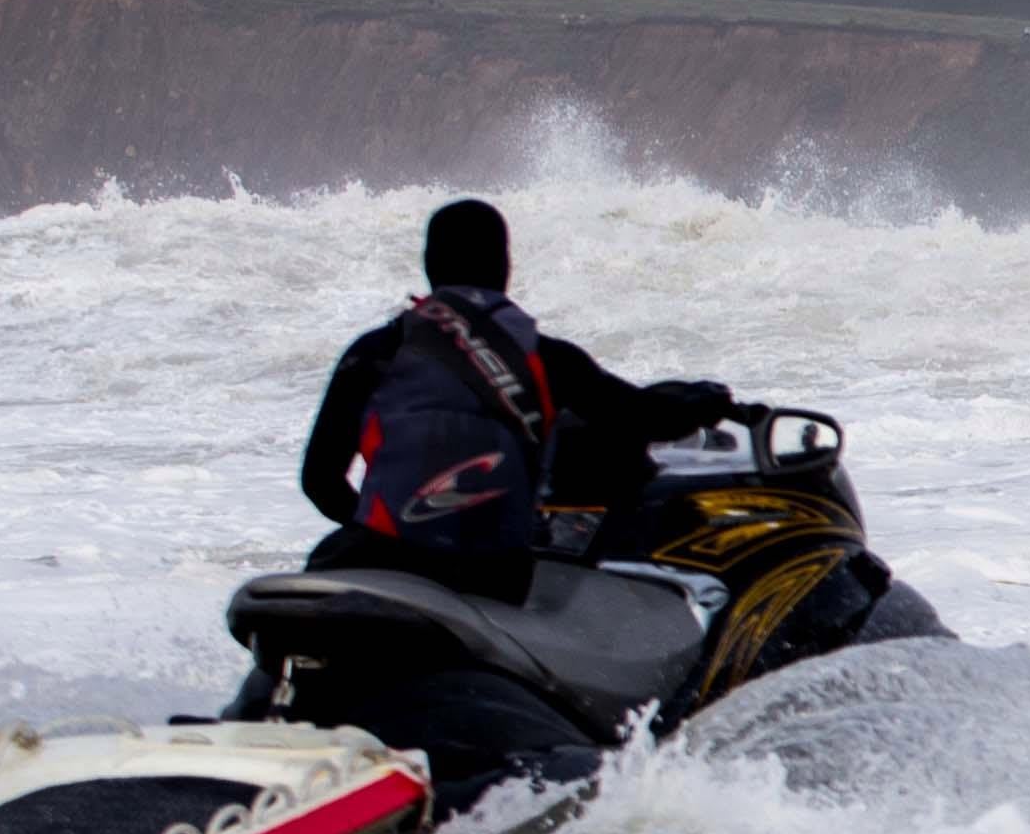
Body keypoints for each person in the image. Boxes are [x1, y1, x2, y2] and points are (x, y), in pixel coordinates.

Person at [296, 198, 735, 599]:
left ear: (430, 266)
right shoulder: (548, 359)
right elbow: (644, 418)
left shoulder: (374, 352)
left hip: (382, 561)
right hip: (491, 578)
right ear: (505, 267)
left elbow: (319, 480)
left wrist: (378, 530)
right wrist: (707, 399)